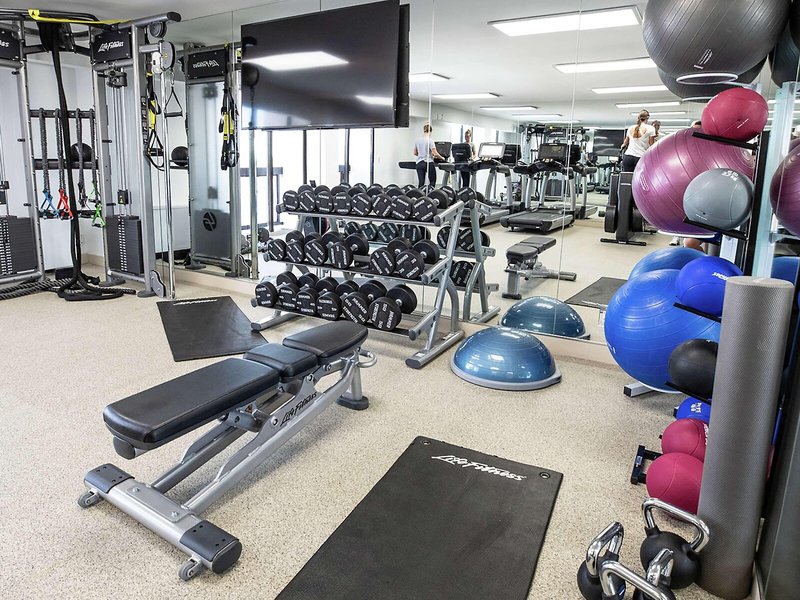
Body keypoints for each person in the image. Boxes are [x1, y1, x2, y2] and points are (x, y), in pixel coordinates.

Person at [413, 123, 445, 187]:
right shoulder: (430, 141)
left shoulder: (417, 140)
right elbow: (435, 153)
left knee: (421, 182)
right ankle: (431, 193)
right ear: (430, 131)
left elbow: (415, 153)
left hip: (419, 163)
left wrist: (422, 154)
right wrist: (442, 158)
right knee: (432, 181)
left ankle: (420, 193)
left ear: (424, 130)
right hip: (428, 162)